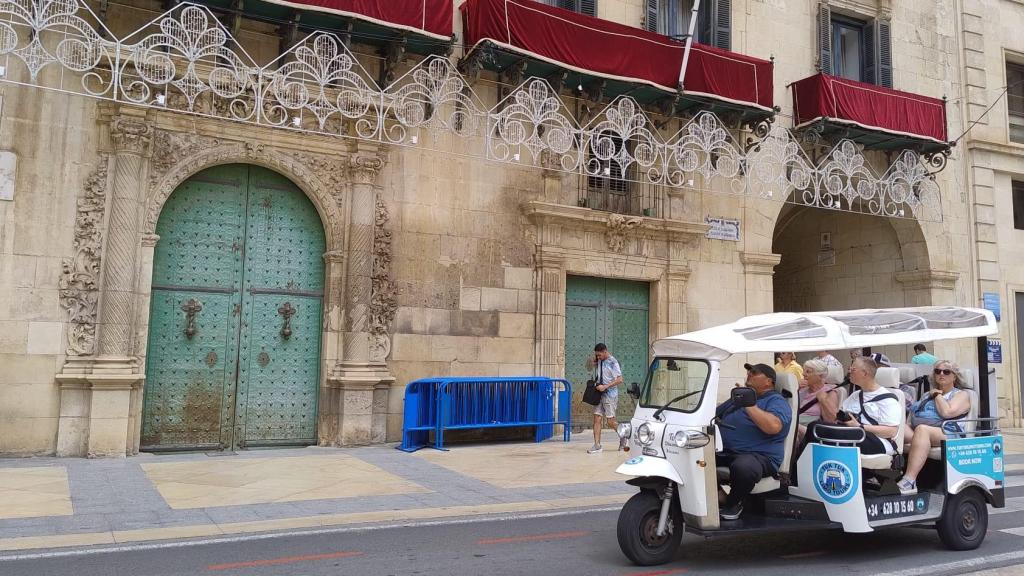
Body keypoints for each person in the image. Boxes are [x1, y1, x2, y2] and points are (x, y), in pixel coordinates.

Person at [715, 363, 792, 521]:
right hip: (727, 451)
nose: (749, 373)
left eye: (755, 372)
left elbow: (773, 426)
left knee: (744, 467)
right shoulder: (740, 397)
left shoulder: (776, 401)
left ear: (768, 381)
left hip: (759, 456)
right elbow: (712, 415)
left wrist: (748, 404)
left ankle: (733, 503)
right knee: (692, 457)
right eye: (749, 371)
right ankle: (720, 497)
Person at [795, 356, 902, 468]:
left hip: (876, 441)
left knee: (820, 428)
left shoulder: (888, 399)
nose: (849, 371)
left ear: (865, 373)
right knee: (815, 427)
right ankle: (803, 471)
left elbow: (891, 431)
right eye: (849, 368)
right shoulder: (855, 395)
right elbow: (838, 417)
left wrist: (860, 426)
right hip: (853, 434)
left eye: (853, 369)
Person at [896, 360, 971, 494]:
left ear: (954, 376)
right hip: (922, 430)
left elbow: (947, 412)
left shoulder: (961, 394)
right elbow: (913, 416)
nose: (941, 374)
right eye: (937, 371)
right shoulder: (926, 395)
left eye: (946, 371)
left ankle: (909, 480)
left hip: (948, 431)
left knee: (922, 430)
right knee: (896, 427)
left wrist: (937, 395)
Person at [586, 343, 626, 454]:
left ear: (605, 351)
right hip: (599, 394)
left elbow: (620, 379)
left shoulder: (613, 362)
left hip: (610, 395)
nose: (598, 357)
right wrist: (593, 361)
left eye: (599, 355)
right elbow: (588, 367)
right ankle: (597, 445)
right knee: (597, 418)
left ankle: (624, 436)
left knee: (610, 422)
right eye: (596, 355)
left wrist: (605, 386)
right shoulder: (599, 361)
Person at [797, 359, 840, 436]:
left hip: (811, 429)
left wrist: (823, 399)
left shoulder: (830, 392)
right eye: (804, 371)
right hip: (796, 423)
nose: (803, 374)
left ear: (820, 376)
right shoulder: (801, 390)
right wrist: (795, 389)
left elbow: (832, 420)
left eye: (808, 372)